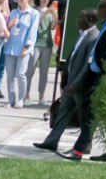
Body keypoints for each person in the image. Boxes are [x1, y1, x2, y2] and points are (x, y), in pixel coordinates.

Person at [61, 0, 106, 162]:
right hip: (97, 76)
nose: (98, 11)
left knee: (94, 115)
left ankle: (79, 151)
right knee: (95, 114)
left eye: (101, 7)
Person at [33, 9, 99, 157]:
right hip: (70, 84)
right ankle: (51, 142)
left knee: (84, 118)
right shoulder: (82, 35)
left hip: (80, 86)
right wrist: (65, 80)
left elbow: (87, 65)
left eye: (81, 17)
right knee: (63, 113)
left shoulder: (94, 37)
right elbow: (72, 58)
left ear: (90, 20)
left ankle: (85, 147)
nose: (77, 20)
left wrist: (77, 84)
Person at [2, 0, 39, 109]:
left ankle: (21, 99)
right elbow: (6, 30)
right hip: (10, 48)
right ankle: (11, 100)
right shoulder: (13, 12)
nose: (19, 0)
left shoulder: (34, 14)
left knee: (20, 74)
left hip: (24, 49)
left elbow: (33, 32)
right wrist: (9, 25)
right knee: (10, 76)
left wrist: (27, 46)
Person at [26, 0, 57, 104]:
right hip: (35, 44)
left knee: (44, 72)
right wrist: (47, 11)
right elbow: (37, 23)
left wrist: (55, 16)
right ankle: (26, 96)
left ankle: (41, 97)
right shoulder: (34, 10)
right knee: (30, 70)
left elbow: (52, 27)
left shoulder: (50, 11)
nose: (46, 0)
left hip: (47, 44)